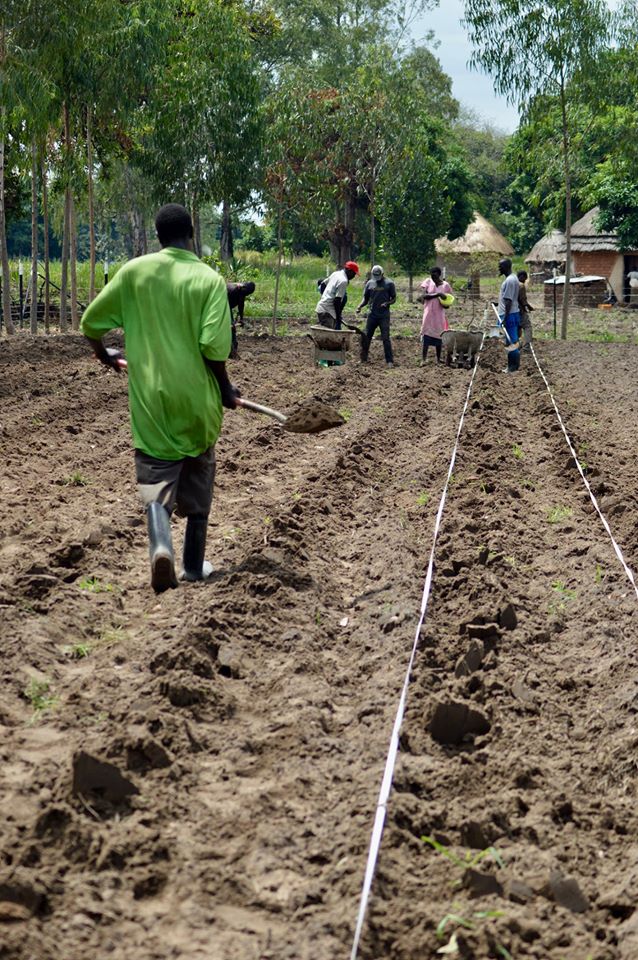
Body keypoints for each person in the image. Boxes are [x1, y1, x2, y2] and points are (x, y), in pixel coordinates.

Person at [80, 203, 237, 593]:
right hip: (197, 401)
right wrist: (225, 388)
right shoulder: (209, 280)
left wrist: (104, 354)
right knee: (198, 480)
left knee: (155, 482)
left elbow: (90, 323)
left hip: (151, 402)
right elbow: (214, 347)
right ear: (192, 234)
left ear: (158, 236)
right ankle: (193, 567)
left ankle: (160, 548)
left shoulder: (134, 272)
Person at [356, 264, 397, 367]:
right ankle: (363, 359)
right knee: (366, 337)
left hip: (384, 316)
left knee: (385, 338)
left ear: (382, 274)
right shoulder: (369, 283)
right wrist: (360, 306)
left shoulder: (389, 283)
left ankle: (389, 361)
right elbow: (365, 299)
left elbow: (394, 298)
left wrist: (387, 303)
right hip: (372, 315)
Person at [419, 266, 452, 364]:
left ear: (439, 274)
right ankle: (423, 359)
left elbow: (448, 303)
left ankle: (438, 359)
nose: (433, 277)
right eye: (432, 275)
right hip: (428, 313)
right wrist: (438, 294)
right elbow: (423, 296)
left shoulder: (445, 285)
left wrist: (444, 302)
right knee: (426, 335)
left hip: (439, 315)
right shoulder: (428, 282)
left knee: (439, 336)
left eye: (435, 275)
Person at [315, 261, 359, 329]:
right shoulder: (343, 281)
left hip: (321, 308)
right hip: (328, 312)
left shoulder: (336, 273)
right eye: (354, 274)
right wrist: (338, 316)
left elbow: (323, 284)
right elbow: (337, 301)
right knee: (328, 334)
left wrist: (324, 297)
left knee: (326, 332)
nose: (354, 276)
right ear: (349, 271)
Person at [498, 258, 521, 373]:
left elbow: (508, 301)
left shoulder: (510, 280)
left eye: (500, 266)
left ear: (506, 267)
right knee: (510, 341)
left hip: (509, 315)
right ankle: (513, 366)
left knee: (512, 342)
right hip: (511, 313)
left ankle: (513, 367)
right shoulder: (512, 278)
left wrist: (505, 318)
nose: (499, 268)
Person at [227, 281, 256, 359]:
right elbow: (240, 305)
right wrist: (241, 319)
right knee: (231, 327)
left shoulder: (240, 287)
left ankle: (233, 346)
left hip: (225, 304)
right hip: (222, 303)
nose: (247, 295)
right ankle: (232, 347)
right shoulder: (241, 290)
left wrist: (241, 318)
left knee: (231, 326)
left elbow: (241, 305)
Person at [517, 270, 534, 349]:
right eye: (525, 278)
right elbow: (523, 300)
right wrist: (528, 308)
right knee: (527, 326)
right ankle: (527, 345)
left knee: (517, 327)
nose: (524, 281)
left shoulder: (511, 284)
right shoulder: (521, 286)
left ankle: (516, 344)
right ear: (521, 277)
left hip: (512, 311)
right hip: (520, 310)